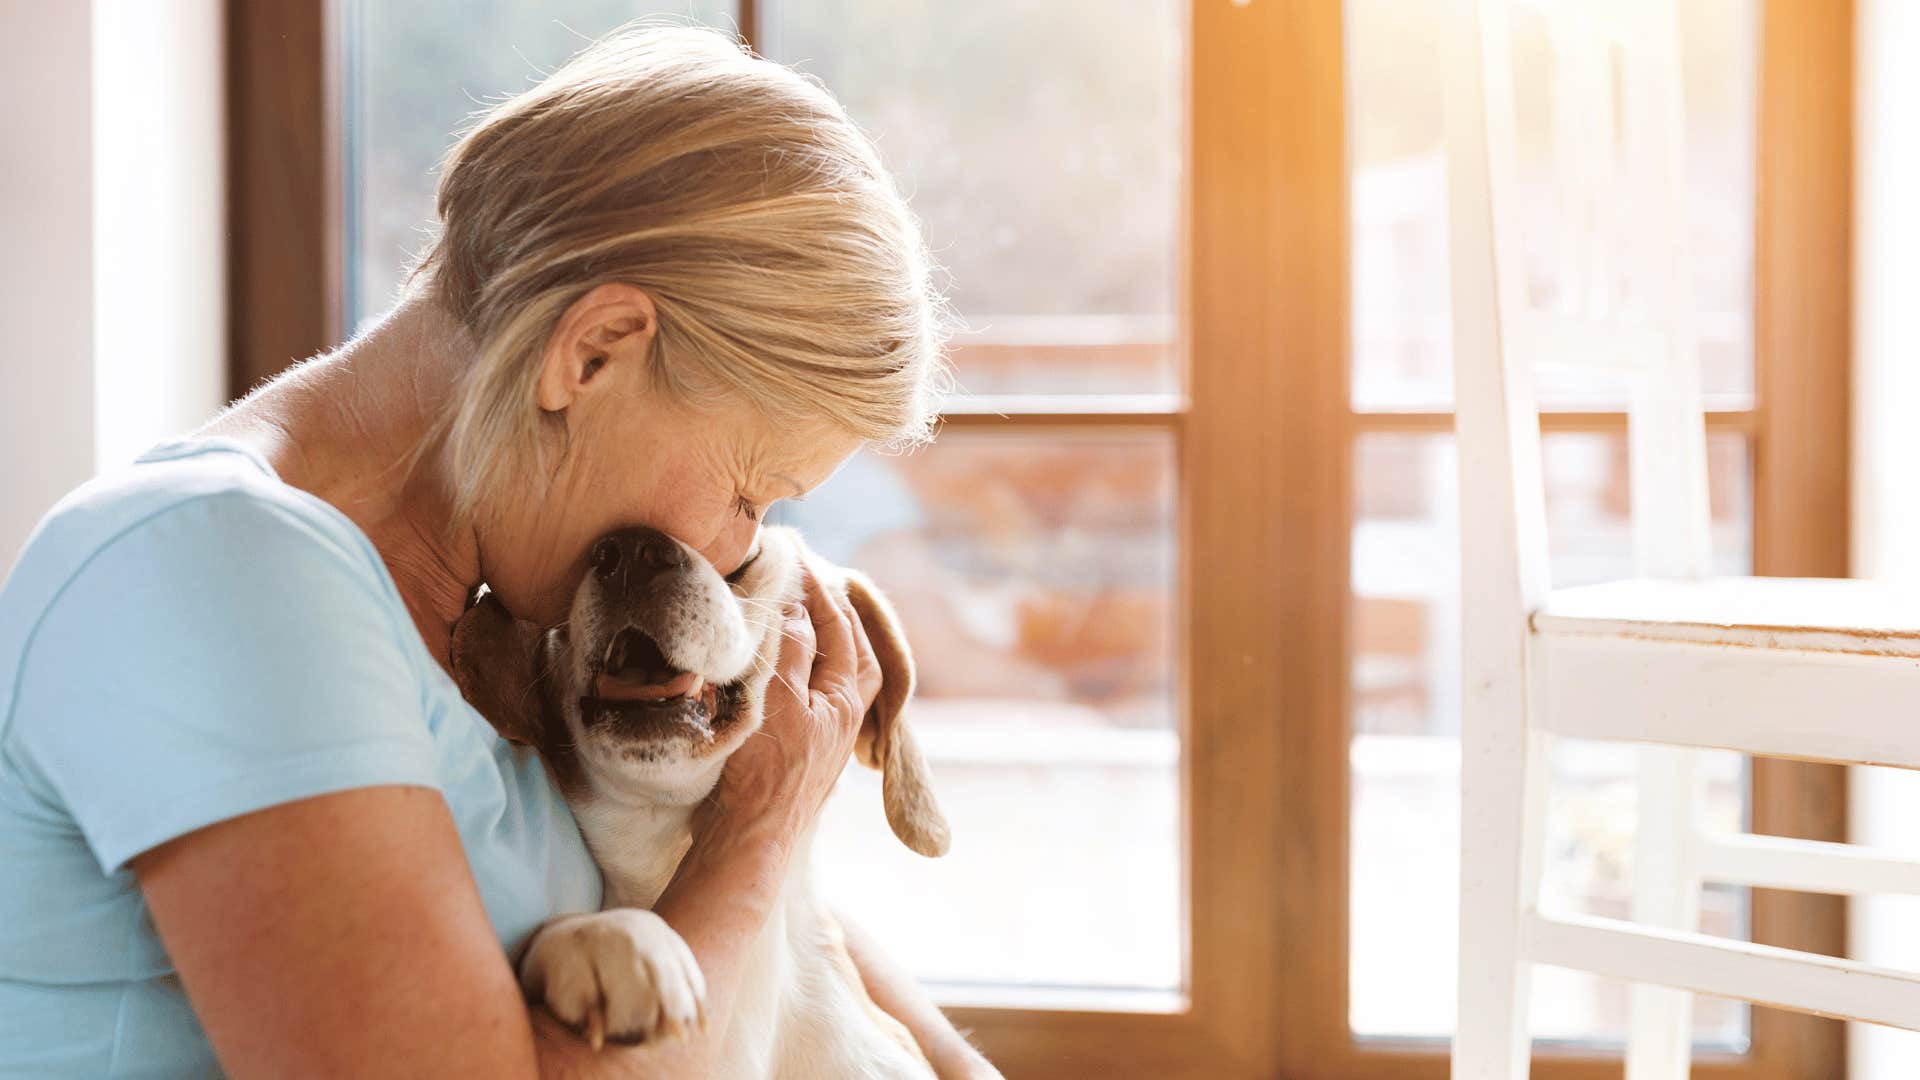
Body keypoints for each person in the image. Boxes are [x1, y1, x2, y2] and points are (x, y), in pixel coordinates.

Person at [0, 24, 994, 1078]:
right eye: (750, 492)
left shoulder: (488, 628)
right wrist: (755, 835)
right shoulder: (218, 571)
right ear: (592, 351)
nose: (731, 550)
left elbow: (779, 942)